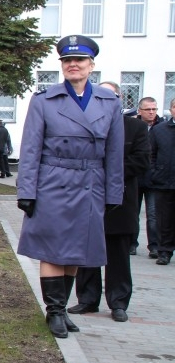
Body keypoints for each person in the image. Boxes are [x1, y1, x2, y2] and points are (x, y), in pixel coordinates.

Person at [16, 34, 124, 338]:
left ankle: (61, 309)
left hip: (90, 183)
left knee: (76, 251)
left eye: (79, 61)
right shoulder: (44, 101)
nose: (72, 65)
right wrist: (27, 190)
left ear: (91, 65)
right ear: (62, 66)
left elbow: (115, 153)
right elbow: (30, 149)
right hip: (53, 181)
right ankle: (55, 312)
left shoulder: (110, 103)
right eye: (67, 61)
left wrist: (114, 193)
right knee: (52, 250)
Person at [69, 83, 150, 322]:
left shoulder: (135, 127)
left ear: (119, 99)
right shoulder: (85, 125)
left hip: (120, 202)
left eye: (111, 96)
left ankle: (118, 302)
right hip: (87, 199)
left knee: (118, 255)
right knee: (86, 252)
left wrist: (109, 173)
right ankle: (87, 299)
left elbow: (142, 161)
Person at [132, 97, 162, 257]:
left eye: (154, 109)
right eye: (148, 109)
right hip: (135, 177)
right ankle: (131, 243)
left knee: (153, 214)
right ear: (140, 111)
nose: (151, 112)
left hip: (153, 179)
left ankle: (154, 246)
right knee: (132, 212)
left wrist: (157, 173)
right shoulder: (133, 126)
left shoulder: (162, 127)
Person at [149, 98, 175, 267]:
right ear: (171, 109)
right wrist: (155, 172)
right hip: (164, 182)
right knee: (164, 220)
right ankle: (164, 251)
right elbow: (150, 154)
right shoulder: (159, 130)